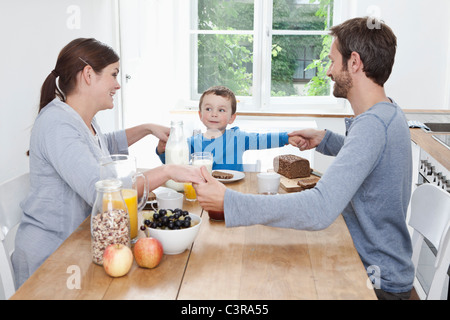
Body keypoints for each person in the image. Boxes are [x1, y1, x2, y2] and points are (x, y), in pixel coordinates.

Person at [194, 17, 415, 300]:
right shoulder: (388, 113)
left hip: (375, 282)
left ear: (355, 63)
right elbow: (371, 157)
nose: (329, 72)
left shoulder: (372, 125)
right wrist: (326, 139)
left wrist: (230, 202)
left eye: (333, 61)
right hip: (377, 263)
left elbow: (320, 208)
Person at [12, 38, 204, 288]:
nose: (117, 85)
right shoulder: (57, 125)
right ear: (88, 75)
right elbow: (102, 192)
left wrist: (147, 128)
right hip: (51, 259)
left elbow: (104, 146)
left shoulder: (81, 120)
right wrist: (168, 170)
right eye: (114, 75)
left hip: (79, 245)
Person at [156, 86, 301, 171]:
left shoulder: (238, 138)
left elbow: (262, 139)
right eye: (208, 109)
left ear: (232, 118)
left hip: (233, 193)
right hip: (203, 193)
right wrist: (162, 151)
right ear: (200, 115)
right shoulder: (191, 143)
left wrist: (286, 137)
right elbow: (174, 162)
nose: (213, 114)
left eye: (221, 110)